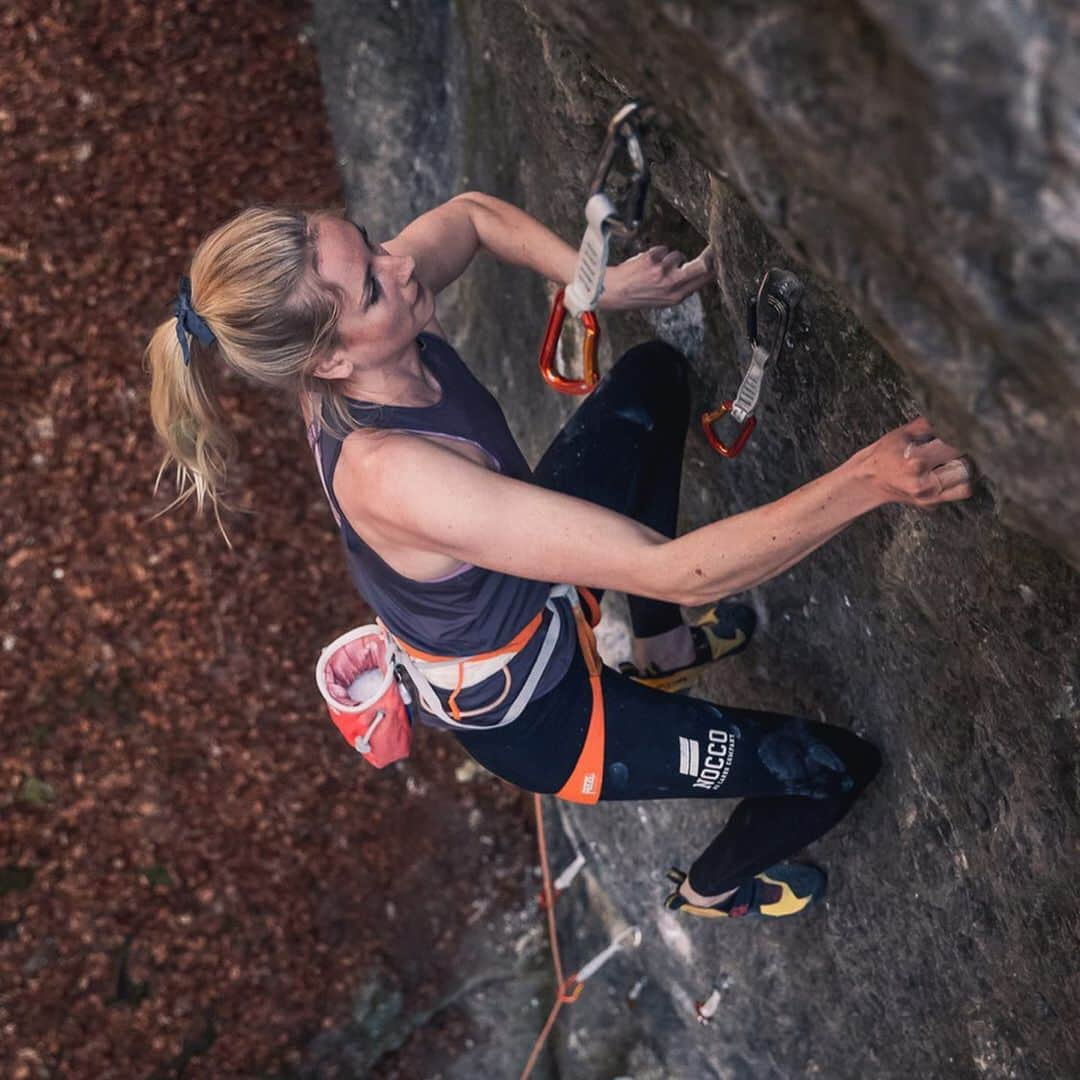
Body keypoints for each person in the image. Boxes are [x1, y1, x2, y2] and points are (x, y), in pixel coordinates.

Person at [146, 193, 973, 919]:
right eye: (371, 281)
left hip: (528, 591)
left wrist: (599, 286)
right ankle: (713, 889)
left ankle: (661, 649)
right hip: (544, 715)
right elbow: (677, 565)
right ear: (329, 360)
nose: (399, 262)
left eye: (371, 241)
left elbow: (468, 217)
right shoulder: (394, 474)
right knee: (833, 768)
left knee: (653, 378)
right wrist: (870, 481)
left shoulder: (371, 326)